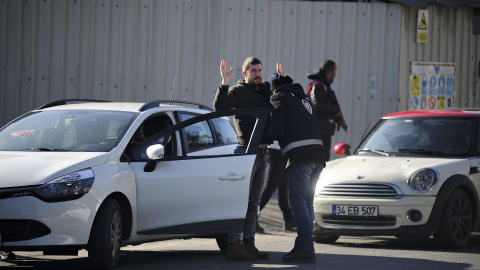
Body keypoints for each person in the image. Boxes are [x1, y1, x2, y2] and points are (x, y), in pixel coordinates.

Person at [213, 57, 271, 261]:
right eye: (253, 71)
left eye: (260, 70)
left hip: (264, 152)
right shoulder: (238, 91)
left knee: (254, 202)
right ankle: (234, 245)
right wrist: (224, 83)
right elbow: (219, 109)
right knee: (241, 200)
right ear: (245, 73)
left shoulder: (265, 91)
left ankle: (249, 242)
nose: (257, 74)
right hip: (246, 151)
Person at [269, 64, 326, 263]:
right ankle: (303, 244)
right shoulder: (303, 98)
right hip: (318, 155)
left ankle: (306, 248)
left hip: (300, 157)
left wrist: (262, 136)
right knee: (307, 203)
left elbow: (277, 128)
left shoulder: (278, 97)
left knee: (298, 204)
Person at [256, 73, 296, 234]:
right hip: (275, 150)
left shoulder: (278, 100)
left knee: (283, 185)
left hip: (281, 149)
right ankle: (253, 217)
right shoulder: (275, 101)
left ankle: (288, 219)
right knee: (271, 185)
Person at [307, 60, 347, 161]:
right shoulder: (318, 86)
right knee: (319, 161)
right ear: (330, 72)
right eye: (335, 71)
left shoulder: (325, 85)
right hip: (319, 131)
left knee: (323, 160)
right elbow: (318, 105)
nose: (335, 74)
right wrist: (335, 110)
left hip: (324, 131)